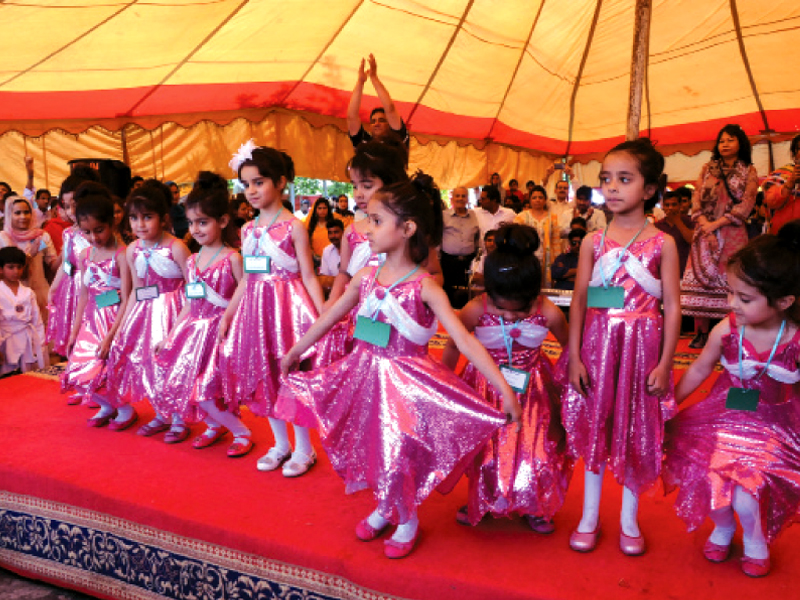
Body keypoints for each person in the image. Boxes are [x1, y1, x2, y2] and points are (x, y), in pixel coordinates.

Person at [276, 173, 522, 558]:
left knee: (397, 450)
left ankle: (405, 517)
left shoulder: (426, 287)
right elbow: (328, 317)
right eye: (367, 219)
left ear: (406, 228)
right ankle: (383, 505)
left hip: (407, 383)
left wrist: (504, 389)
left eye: (376, 221)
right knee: (372, 443)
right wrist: (295, 350)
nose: (367, 229)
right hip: (363, 374)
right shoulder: (364, 277)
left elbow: (464, 339)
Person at [564, 138, 681, 556]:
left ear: (649, 189)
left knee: (635, 428)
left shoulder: (663, 244)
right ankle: (590, 515)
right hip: (598, 344)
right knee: (597, 426)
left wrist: (666, 363)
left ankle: (629, 518)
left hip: (641, 346)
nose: (611, 188)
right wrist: (575, 354)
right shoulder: (592, 242)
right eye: (606, 179)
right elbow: (580, 299)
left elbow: (671, 306)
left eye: (624, 179)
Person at [663, 222, 800, 578]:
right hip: (722, 418)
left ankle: (755, 540)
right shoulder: (727, 329)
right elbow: (698, 370)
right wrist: (668, 403)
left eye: (745, 298)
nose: (731, 304)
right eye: (731, 293)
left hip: (773, 426)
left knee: (746, 495)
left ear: (784, 301)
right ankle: (722, 527)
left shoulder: (795, 340)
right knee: (710, 481)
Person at [442, 224, 571, 533]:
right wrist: (445, 381)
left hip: (534, 389)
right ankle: (485, 496)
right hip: (484, 388)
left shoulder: (550, 312)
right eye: (501, 306)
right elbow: (453, 343)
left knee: (535, 448)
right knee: (486, 450)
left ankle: (534, 502)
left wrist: (571, 386)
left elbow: (569, 349)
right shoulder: (475, 309)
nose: (510, 316)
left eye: (521, 308)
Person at [219, 141, 325, 471]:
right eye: (246, 184)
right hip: (256, 310)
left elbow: (308, 275)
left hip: (288, 309)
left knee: (291, 376)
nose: (251, 190)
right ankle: (280, 444)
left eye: (259, 182)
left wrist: (323, 316)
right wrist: (229, 313)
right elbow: (248, 279)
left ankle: (304, 449)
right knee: (264, 374)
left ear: (280, 182)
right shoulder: (247, 229)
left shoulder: (293, 226)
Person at [153, 171, 244, 449]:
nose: (196, 229)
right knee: (191, 382)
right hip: (195, 331)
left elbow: (245, 296)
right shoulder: (191, 261)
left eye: (203, 222)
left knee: (208, 388)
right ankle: (215, 425)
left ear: (223, 221)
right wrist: (170, 336)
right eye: (192, 223)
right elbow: (190, 305)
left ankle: (241, 433)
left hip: (221, 331)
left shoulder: (233, 257)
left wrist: (233, 328)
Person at [105, 185, 190, 433]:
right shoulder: (133, 250)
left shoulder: (176, 247)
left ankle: (179, 418)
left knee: (171, 363)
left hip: (173, 310)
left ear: (163, 218)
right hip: (145, 312)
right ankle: (161, 413)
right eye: (134, 218)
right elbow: (136, 288)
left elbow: (192, 285)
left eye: (147, 217)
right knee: (147, 362)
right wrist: (126, 323)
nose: (140, 224)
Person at [681, 124, 759, 349]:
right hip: (703, 231)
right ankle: (701, 333)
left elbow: (747, 202)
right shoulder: (707, 168)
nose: (724, 144)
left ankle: (730, 330)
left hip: (732, 231)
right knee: (701, 280)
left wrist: (717, 223)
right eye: (722, 140)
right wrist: (705, 224)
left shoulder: (748, 171)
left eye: (730, 140)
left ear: (740, 143)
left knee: (731, 281)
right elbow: (696, 197)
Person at [61, 193, 132, 423]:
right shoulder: (85, 255)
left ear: (113, 223)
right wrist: (74, 330)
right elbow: (84, 294)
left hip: (114, 319)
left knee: (108, 368)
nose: (94, 237)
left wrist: (112, 335)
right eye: (87, 232)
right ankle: (107, 405)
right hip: (91, 319)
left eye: (99, 230)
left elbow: (128, 296)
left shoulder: (122, 255)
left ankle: (124, 409)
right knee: (79, 369)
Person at [45, 174, 102, 360]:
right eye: (66, 206)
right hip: (70, 291)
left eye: (74, 205)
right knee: (72, 336)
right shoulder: (67, 233)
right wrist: (54, 288)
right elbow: (66, 263)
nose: (70, 211)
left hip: (92, 290)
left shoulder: (97, 234)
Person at [0, 195, 58, 320]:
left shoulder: (41, 236)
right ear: (9, 214)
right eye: (17, 213)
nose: (23, 216)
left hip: (41, 294)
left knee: (43, 333)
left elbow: (53, 265)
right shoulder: (3, 238)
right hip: (11, 296)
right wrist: (29, 255)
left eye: (27, 212)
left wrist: (65, 254)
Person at [0, 247, 47, 375]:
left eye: (19, 267)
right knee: (7, 378)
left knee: (26, 377)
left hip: (27, 339)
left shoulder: (28, 293)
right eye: (10, 267)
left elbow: (37, 321)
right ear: (1, 269)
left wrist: (40, 345)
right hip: (6, 341)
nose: (16, 271)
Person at [347, 54, 409, 149]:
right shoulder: (364, 142)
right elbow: (352, 117)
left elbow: (390, 109)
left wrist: (374, 78)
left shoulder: (398, 140)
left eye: (382, 120)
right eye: (373, 121)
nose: (376, 124)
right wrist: (360, 82)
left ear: (390, 124)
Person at [441, 186, 479, 307]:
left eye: (463, 196)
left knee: (467, 294)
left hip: (469, 262)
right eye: (457, 196)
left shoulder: (474, 215)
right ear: (452, 199)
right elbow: (437, 239)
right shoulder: (444, 216)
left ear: (467, 199)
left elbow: (477, 237)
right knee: (448, 295)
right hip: (448, 262)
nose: (460, 198)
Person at [515, 185, 558, 287]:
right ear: (529, 200)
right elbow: (516, 239)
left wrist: (556, 261)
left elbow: (555, 241)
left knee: (544, 286)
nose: (537, 200)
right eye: (534, 198)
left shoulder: (552, 217)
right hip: (526, 257)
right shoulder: (521, 217)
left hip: (546, 257)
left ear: (545, 200)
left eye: (540, 197)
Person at [763, 133, 800, 234]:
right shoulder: (780, 175)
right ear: (795, 154)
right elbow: (771, 202)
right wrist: (791, 182)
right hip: (783, 236)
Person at [655, 191, 693, 277]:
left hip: (685, 271)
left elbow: (691, 240)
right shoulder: (657, 226)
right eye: (667, 205)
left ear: (680, 206)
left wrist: (677, 221)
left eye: (674, 204)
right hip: (665, 272)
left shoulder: (689, 221)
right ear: (663, 207)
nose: (670, 208)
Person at [475, 186, 515, 252]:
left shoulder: (509, 214)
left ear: (494, 200)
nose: (480, 201)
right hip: (483, 254)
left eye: (483, 199)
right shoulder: (476, 213)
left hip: (503, 254)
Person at [318, 218, 344, 293]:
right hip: (333, 290)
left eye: (336, 232)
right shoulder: (327, 251)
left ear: (343, 232)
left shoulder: (353, 249)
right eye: (330, 233)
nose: (333, 236)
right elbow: (325, 277)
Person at [307, 197, 333, 265]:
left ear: (328, 209)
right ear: (315, 210)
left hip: (331, 261)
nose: (322, 210)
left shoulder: (333, 224)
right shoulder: (311, 226)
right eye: (320, 208)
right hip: (315, 262)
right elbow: (307, 244)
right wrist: (314, 255)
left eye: (324, 208)